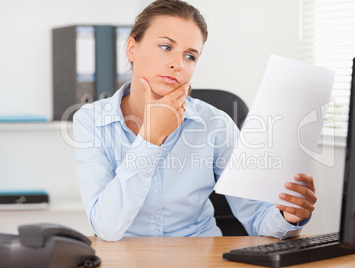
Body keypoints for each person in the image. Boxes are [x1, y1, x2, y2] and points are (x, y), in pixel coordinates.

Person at [73, 0, 317, 242]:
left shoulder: (216, 124)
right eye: (166, 47)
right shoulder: (91, 120)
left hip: (201, 255)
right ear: (131, 49)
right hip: (127, 256)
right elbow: (106, 227)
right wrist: (150, 139)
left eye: (190, 56)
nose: (177, 64)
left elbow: (258, 216)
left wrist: (289, 216)